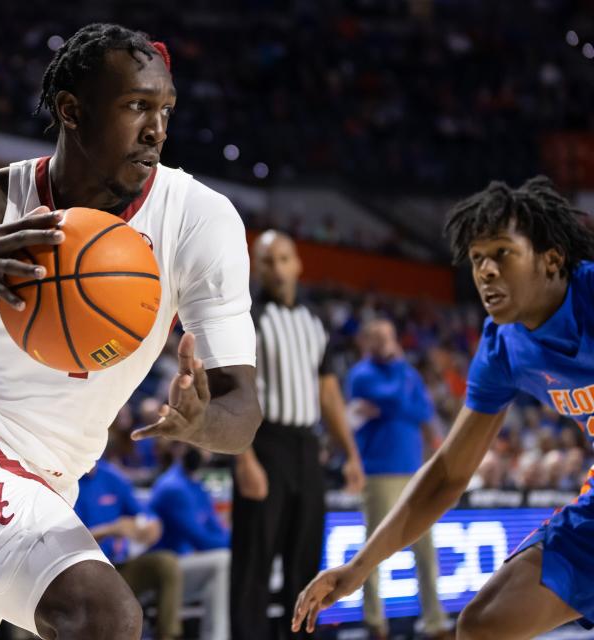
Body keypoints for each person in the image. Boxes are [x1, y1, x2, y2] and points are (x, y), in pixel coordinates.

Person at [0, 23, 260, 640]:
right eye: (137, 106)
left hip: (50, 481)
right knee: (102, 615)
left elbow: (242, 411)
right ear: (72, 109)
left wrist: (202, 424)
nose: (157, 130)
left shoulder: (200, 219)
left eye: (165, 109)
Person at [293, 176, 594, 639]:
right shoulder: (503, 348)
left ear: (551, 259)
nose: (486, 271)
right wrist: (359, 567)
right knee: (482, 624)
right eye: (477, 260)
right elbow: (448, 474)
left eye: (502, 253)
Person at [232, 230, 364, 640]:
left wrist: (352, 455)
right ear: (257, 266)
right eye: (268, 260)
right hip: (262, 442)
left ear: (298, 263)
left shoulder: (314, 320)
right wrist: (244, 459)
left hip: (306, 446)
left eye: (284, 258)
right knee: (254, 562)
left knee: (305, 562)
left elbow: (328, 392)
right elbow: (233, 390)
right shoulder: (246, 317)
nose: (277, 267)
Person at [346, 319, 448, 639]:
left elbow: (420, 411)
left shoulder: (407, 372)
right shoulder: (361, 374)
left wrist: (395, 398)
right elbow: (399, 402)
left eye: (389, 336)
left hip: (413, 472)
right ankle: (375, 623)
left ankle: (435, 623)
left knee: (426, 552)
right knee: (373, 551)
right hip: (378, 473)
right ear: (367, 341)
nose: (384, 342)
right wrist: (398, 397)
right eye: (377, 337)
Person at [75, 456, 181, 640]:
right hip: (82, 575)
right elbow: (65, 541)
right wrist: (110, 530)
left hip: (119, 567)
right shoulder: (64, 482)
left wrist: (151, 527)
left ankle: (167, 635)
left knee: (167, 563)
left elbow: (146, 514)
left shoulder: (112, 477)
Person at [149, 446, 230, 640]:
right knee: (223, 561)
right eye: (197, 446)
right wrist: (241, 544)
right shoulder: (172, 487)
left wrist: (237, 542)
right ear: (180, 449)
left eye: (205, 447)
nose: (204, 453)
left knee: (222, 570)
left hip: (189, 564)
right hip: (167, 569)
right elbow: (201, 540)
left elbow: (217, 530)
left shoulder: (196, 485)